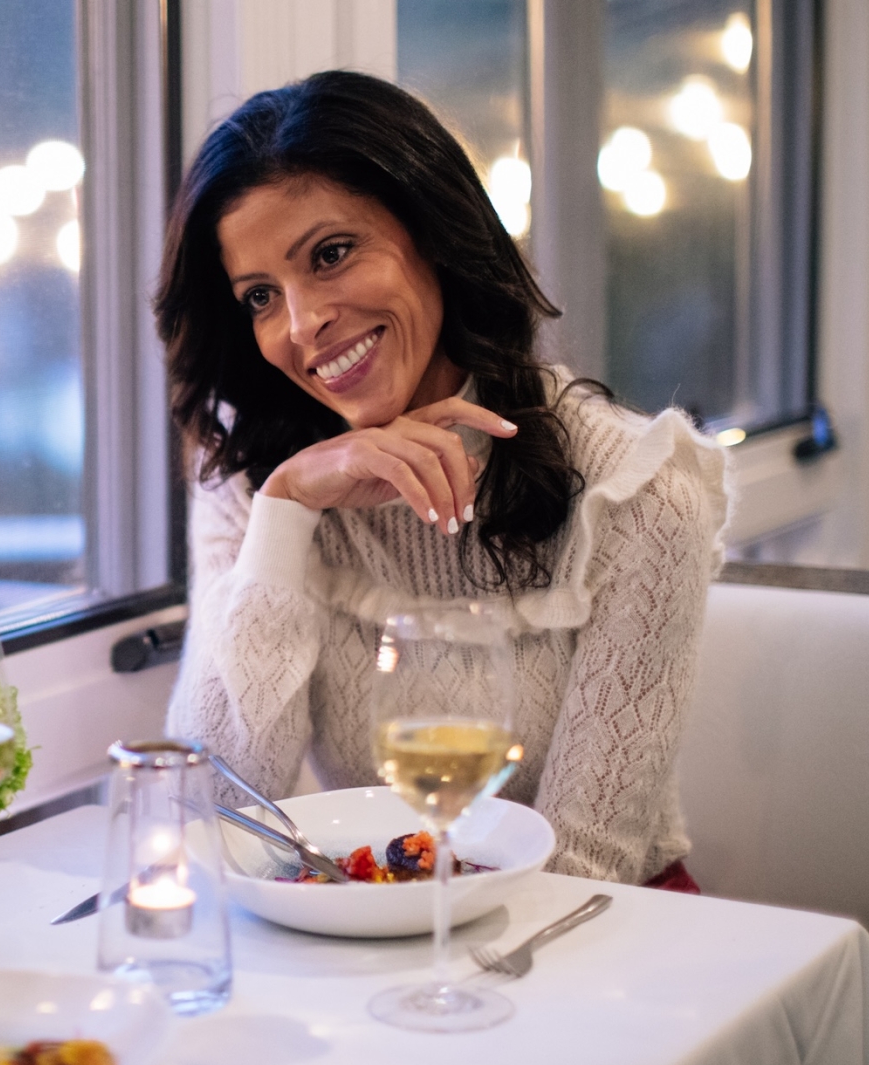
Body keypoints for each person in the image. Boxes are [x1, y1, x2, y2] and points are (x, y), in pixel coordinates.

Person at [155, 71, 729, 888]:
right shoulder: (257, 484)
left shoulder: (636, 496)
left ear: (434, 233)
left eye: (331, 254)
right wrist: (285, 513)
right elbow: (204, 812)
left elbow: (585, 867)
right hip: (372, 922)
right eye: (258, 297)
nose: (300, 324)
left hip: (587, 937)